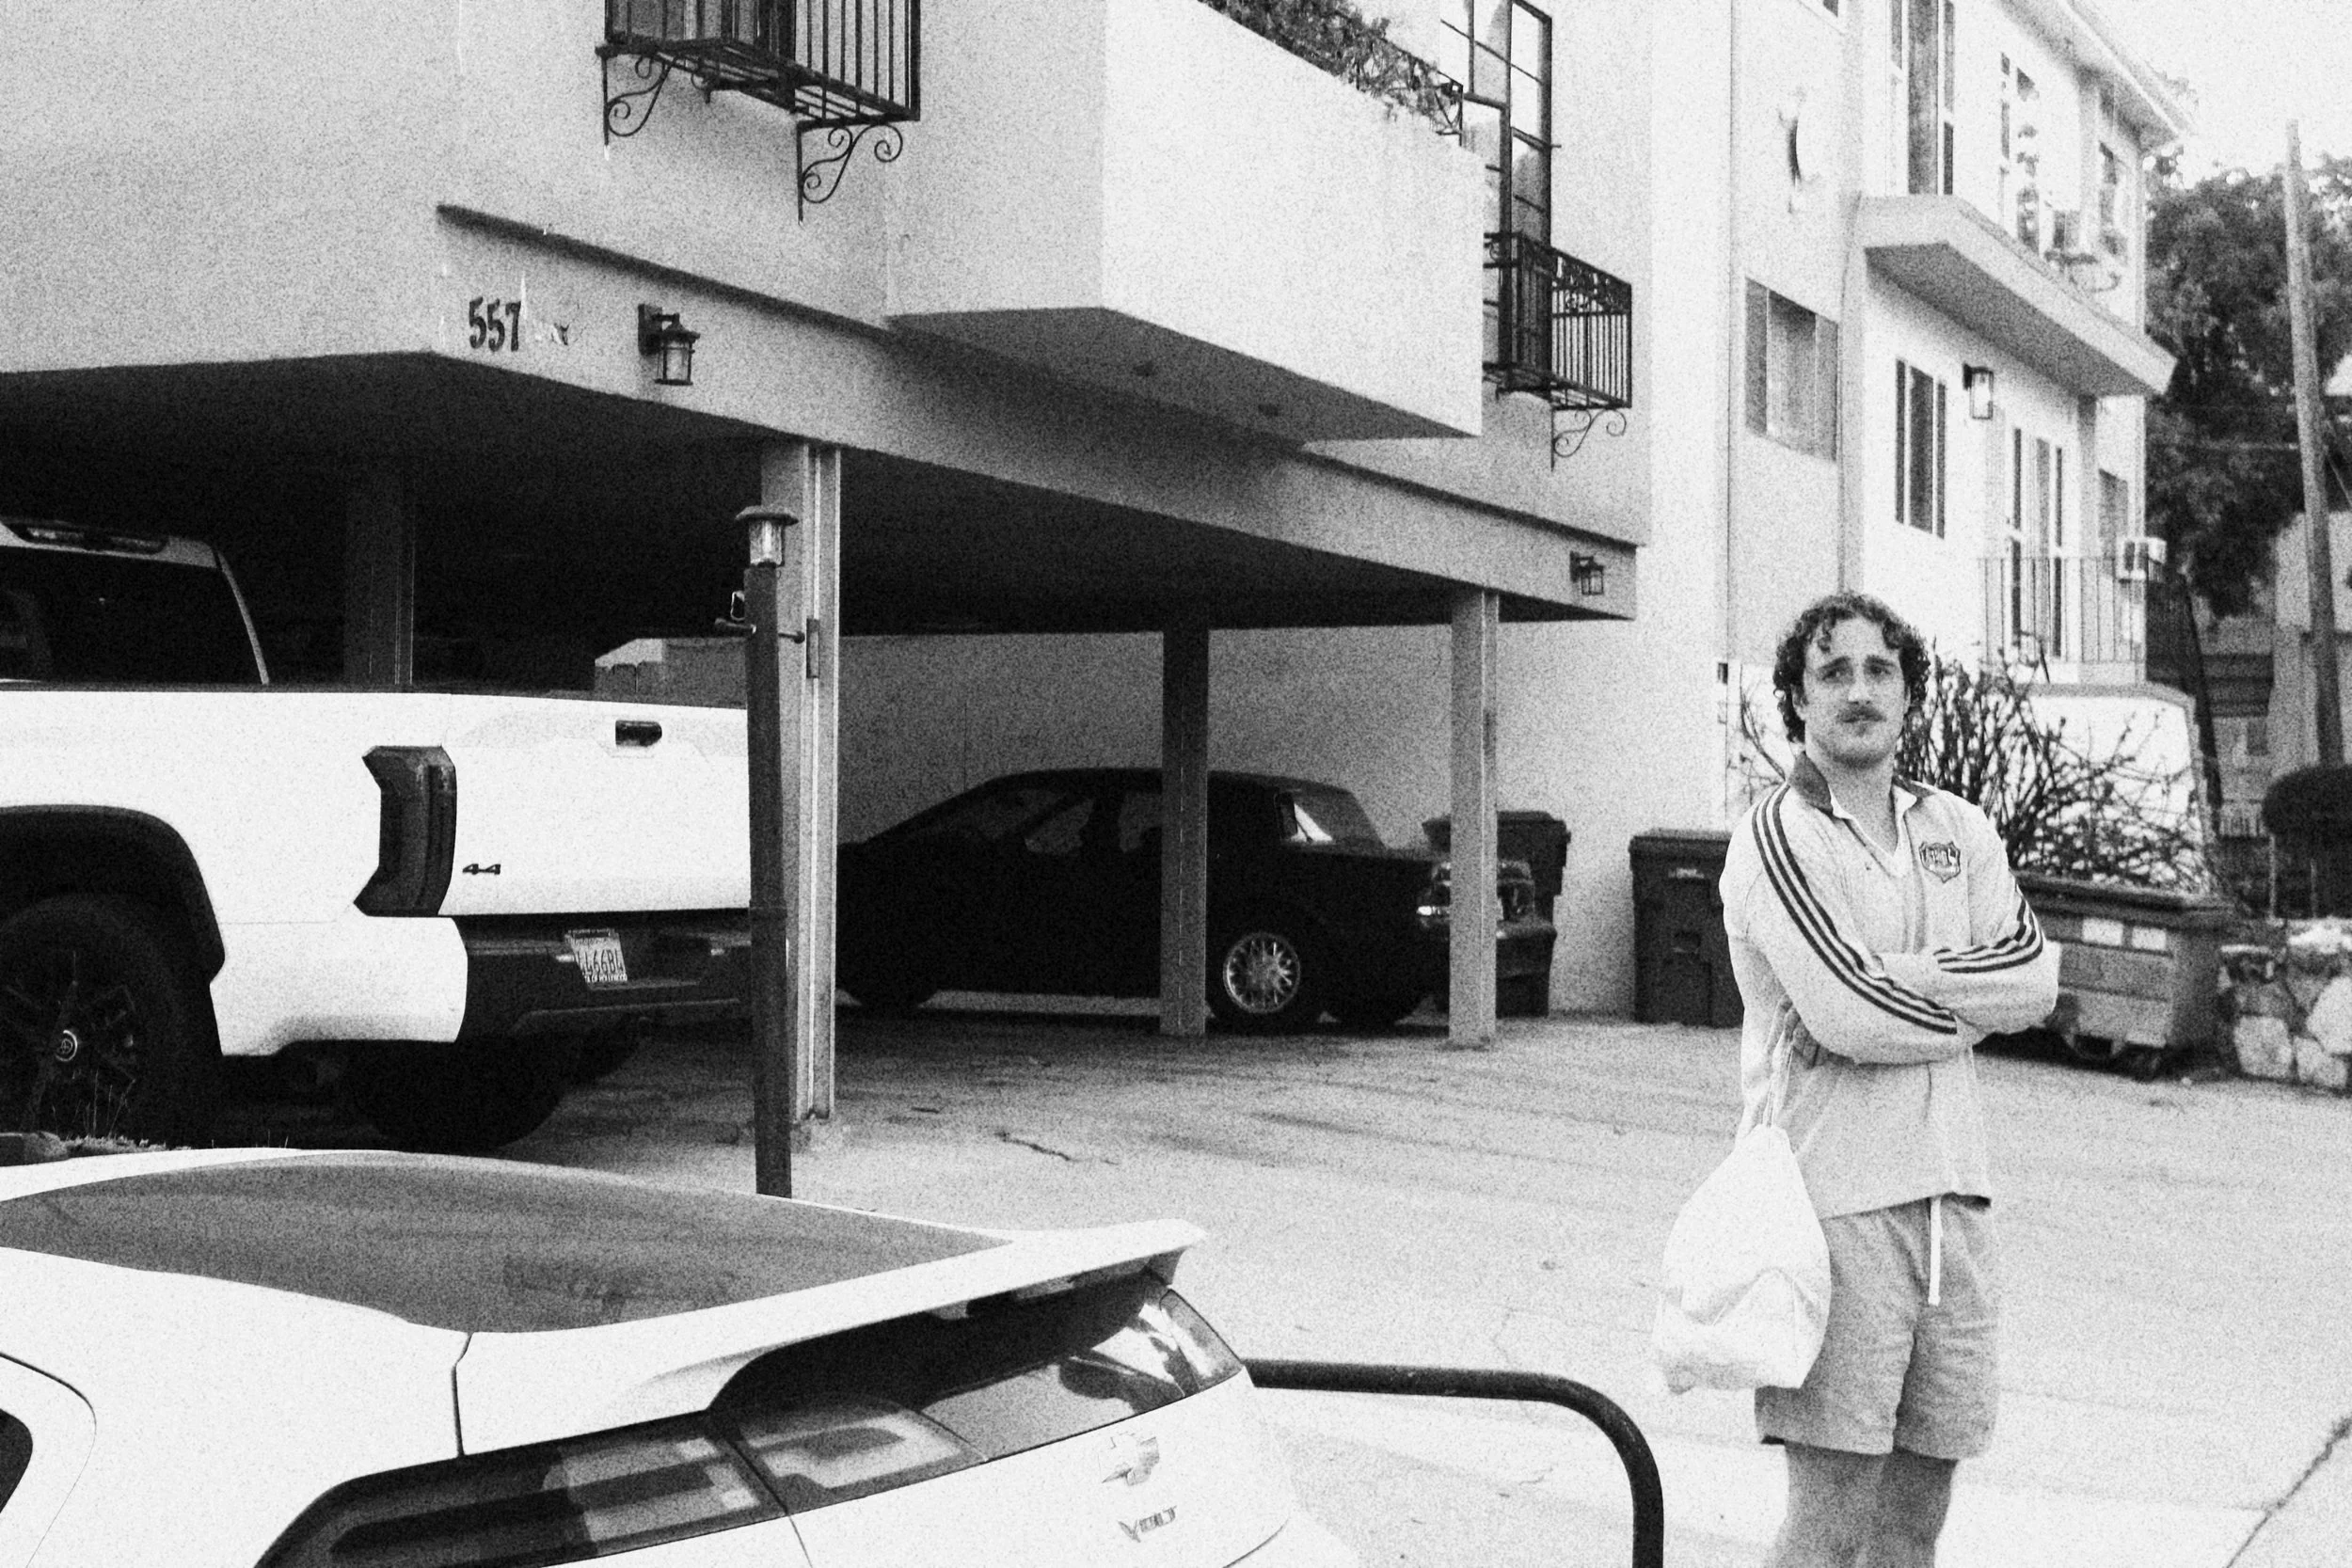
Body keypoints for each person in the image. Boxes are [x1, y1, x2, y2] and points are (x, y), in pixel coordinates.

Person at [1721, 593, 2059, 1568]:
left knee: (1914, 1526)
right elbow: (1842, 1017)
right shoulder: (1778, 833)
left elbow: (2035, 979)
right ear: (1796, 695)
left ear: (1908, 691)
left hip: (1957, 1207)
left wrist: (1899, 977)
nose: (1859, 690)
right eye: (1833, 672)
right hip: (1837, 1209)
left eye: (1879, 669)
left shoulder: (1957, 826)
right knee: (1828, 1526)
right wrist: (1958, 1000)